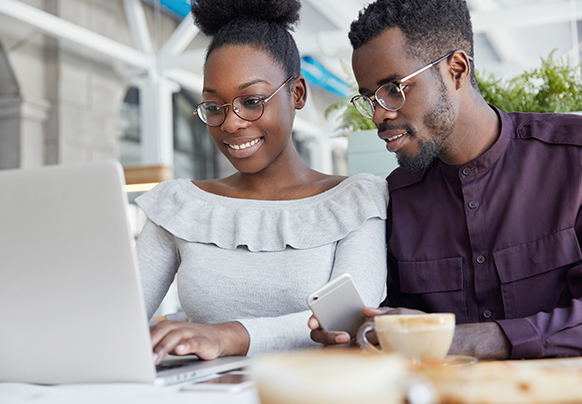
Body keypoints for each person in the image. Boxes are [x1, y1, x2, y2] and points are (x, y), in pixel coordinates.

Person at [310, 0, 582, 360]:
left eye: (393, 89)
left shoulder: (572, 159)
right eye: (369, 99)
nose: (378, 114)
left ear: (456, 69)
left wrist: (463, 339)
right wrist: (371, 332)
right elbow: (401, 327)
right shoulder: (399, 199)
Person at [135, 0, 388, 364]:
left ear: (297, 93)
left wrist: (227, 335)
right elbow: (119, 321)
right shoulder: (179, 205)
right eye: (214, 106)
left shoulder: (355, 200)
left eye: (251, 101)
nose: (231, 123)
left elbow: (348, 326)